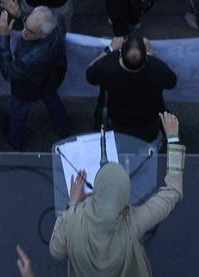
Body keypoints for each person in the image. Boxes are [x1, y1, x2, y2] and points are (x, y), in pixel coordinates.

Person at [46, 112, 183, 277]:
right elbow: (173, 191)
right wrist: (173, 139)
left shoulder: (72, 221)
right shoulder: (134, 222)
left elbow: (56, 252)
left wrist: (73, 204)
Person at [0, 4, 69, 147]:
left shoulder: (31, 59)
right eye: (25, 24)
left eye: (30, 32)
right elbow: (36, 25)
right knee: (54, 103)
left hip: (27, 90)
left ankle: (15, 141)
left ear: (43, 35)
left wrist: (3, 37)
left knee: (18, 114)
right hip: (51, 80)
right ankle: (64, 130)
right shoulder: (57, 22)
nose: (24, 32)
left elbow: (8, 72)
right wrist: (19, 14)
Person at [84, 33, 177, 141]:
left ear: (120, 54)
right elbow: (172, 82)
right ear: (145, 57)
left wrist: (110, 49)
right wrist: (151, 53)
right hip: (148, 122)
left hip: (116, 121)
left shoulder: (107, 65)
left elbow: (89, 74)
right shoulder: (157, 68)